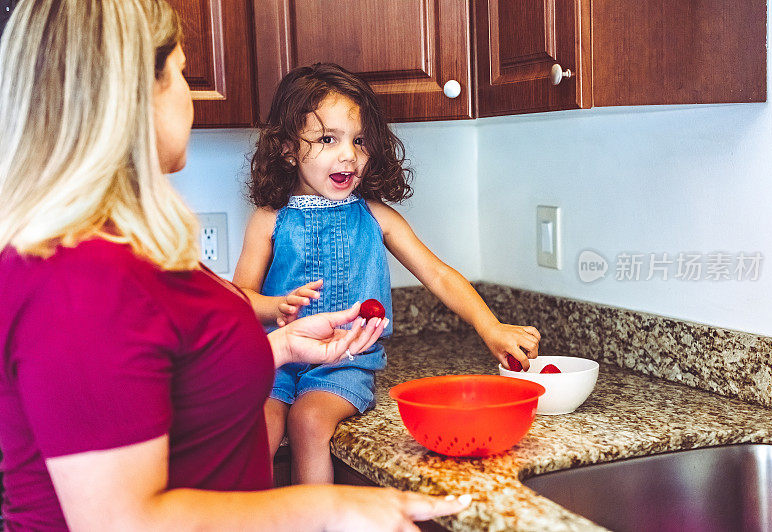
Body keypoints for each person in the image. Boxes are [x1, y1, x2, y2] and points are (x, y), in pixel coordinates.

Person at [0, 1, 469, 530]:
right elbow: (124, 522)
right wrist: (330, 507)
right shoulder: (77, 280)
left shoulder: (115, 249)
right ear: (131, 96)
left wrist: (284, 345)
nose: (190, 93)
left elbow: (166, 377)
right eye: (179, 71)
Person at [233, 63, 542, 485]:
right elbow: (239, 297)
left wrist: (489, 326)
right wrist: (272, 306)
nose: (349, 155)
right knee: (258, 428)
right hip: (278, 361)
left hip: (344, 363)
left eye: (359, 141)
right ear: (288, 149)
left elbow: (436, 274)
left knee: (308, 421)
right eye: (328, 139)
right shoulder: (269, 219)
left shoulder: (377, 217)